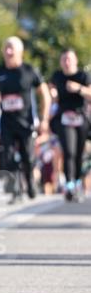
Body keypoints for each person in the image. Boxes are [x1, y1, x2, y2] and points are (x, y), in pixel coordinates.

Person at [0, 36, 51, 201]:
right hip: (6, 122)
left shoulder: (29, 70)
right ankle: (16, 188)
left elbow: (45, 94)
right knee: (6, 157)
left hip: (26, 122)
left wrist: (44, 119)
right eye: (5, 48)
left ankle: (29, 181)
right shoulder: (0, 72)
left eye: (11, 48)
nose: (8, 52)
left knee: (28, 157)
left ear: (20, 52)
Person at [50, 49, 91, 201]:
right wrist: (52, 94)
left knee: (79, 154)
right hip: (64, 118)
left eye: (69, 59)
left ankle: (78, 183)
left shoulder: (83, 76)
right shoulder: (57, 76)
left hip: (81, 118)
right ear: (61, 62)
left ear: (75, 61)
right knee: (69, 151)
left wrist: (79, 89)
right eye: (64, 59)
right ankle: (69, 185)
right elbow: (50, 89)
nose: (66, 62)